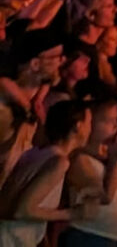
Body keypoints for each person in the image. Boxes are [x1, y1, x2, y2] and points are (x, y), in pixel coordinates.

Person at [0, 98, 86, 246]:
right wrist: (70, 213)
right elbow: (23, 210)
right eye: (89, 123)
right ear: (77, 126)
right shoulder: (59, 162)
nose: (90, 129)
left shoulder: (35, 153)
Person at [60, 88, 117, 247]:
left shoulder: (108, 155)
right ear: (90, 123)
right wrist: (114, 163)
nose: (115, 126)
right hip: (88, 234)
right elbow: (105, 197)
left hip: (106, 236)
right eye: (107, 120)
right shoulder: (80, 158)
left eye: (116, 120)